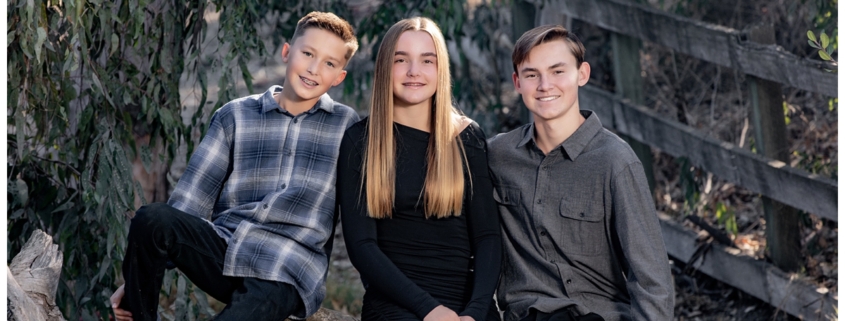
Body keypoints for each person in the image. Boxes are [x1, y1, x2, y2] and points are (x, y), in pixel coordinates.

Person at [109, 11, 360, 321]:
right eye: (307, 53)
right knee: (152, 218)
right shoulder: (235, 115)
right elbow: (190, 200)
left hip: (289, 269)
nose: (313, 68)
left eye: (329, 63)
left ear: (339, 77)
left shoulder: (346, 126)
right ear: (286, 52)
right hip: (228, 250)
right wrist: (134, 281)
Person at [487, 25, 674, 321]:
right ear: (517, 82)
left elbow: (652, 280)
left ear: (582, 74)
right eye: (532, 74)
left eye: (558, 71)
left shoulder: (614, 161)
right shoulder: (497, 155)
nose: (545, 85)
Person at [337, 17, 502, 321]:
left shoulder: (466, 137)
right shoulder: (361, 140)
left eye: (427, 60)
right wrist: (430, 310)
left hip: (467, 305)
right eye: (402, 60)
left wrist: (476, 311)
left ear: (441, 70)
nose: (414, 71)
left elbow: (488, 237)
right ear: (385, 66)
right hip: (396, 303)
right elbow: (362, 246)